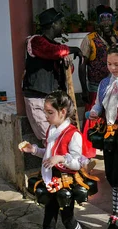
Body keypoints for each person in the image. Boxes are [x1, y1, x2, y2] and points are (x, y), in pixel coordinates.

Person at [20, 91, 93, 229]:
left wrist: (60, 158)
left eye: (49, 112)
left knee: (68, 219)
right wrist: (34, 150)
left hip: (65, 182)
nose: (46, 116)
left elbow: (78, 162)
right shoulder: (52, 129)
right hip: (50, 180)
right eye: (45, 112)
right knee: (49, 216)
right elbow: (48, 155)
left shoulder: (73, 134)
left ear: (62, 111)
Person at [86, 45, 118, 229]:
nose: (112, 68)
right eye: (109, 64)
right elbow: (98, 105)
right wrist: (94, 113)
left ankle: (116, 215)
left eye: (116, 64)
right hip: (108, 131)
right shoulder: (105, 83)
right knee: (111, 174)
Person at [22, 8, 81, 141]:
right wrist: (72, 50)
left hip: (54, 100)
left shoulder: (56, 46)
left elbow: (66, 71)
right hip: (38, 98)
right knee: (50, 139)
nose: (62, 26)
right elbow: (53, 51)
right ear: (53, 24)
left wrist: (67, 64)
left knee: (59, 139)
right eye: (60, 22)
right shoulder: (35, 41)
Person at [79, 5, 118, 158]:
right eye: (102, 19)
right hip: (96, 86)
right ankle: (88, 153)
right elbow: (82, 65)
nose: (106, 22)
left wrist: (113, 40)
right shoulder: (90, 39)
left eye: (108, 18)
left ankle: (113, 145)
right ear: (97, 21)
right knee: (93, 120)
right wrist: (84, 88)